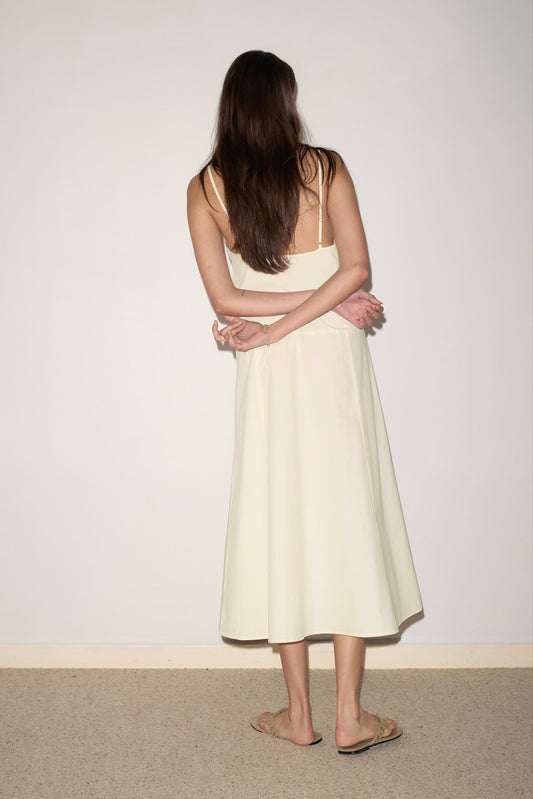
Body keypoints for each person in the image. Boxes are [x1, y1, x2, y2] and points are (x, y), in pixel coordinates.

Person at [187, 50, 423, 753]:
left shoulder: (206, 187)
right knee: (346, 517)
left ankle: (299, 715)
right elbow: (354, 269)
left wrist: (275, 328)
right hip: (332, 361)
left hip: (267, 366)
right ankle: (350, 714)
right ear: (285, 102)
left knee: (280, 519)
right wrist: (330, 306)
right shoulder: (324, 168)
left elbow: (228, 299)